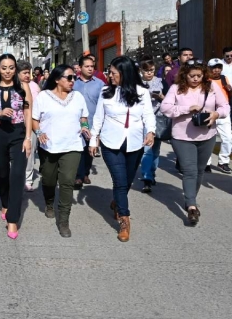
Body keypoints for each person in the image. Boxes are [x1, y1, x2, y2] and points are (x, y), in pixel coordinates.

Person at [89, 56, 155, 242]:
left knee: (126, 181)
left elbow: (148, 115)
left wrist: (151, 131)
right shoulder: (106, 92)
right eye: (110, 72)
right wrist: (93, 140)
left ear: (125, 74)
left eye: (114, 73)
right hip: (111, 143)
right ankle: (124, 220)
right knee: (119, 182)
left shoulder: (142, 92)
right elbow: (98, 118)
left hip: (135, 143)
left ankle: (118, 201)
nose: (110, 75)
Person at [161, 60, 229, 225]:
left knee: (199, 171)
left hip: (207, 135)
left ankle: (190, 197)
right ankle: (191, 206)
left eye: (199, 75)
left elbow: (225, 106)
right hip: (182, 137)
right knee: (190, 171)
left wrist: (215, 115)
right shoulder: (176, 88)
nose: (196, 79)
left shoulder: (211, 86)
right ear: (185, 74)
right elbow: (165, 108)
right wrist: (186, 109)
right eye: (192, 76)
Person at [32, 65, 89, 238]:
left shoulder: (77, 97)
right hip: (49, 146)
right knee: (49, 180)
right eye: (69, 78)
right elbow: (35, 120)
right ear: (57, 79)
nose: (73, 81)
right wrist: (40, 133)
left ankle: (64, 220)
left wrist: (85, 127)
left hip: (72, 145)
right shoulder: (43, 96)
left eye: (74, 78)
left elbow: (83, 117)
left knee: (67, 182)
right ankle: (49, 202)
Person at [0, 54, 32, 239]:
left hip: (18, 134)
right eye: (4, 68)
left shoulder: (22, 86)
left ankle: (12, 219)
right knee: (2, 173)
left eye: (11, 67)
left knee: (17, 175)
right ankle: (5, 202)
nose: (8, 71)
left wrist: (28, 138)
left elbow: (28, 112)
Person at [73, 55, 105, 189]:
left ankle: (85, 173)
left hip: (92, 123)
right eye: (87, 66)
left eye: (92, 66)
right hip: (74, 124)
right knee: (78, 150)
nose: (90, 69)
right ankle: (78, 177)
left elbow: (103, 105)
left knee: (89, 150)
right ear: (80, 68)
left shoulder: (100, 84)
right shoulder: (73, 83)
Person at [139, 58, 165, 192]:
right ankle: (147, 177)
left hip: (158, 119)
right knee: (147, 150)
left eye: (152, 70)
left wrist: (161, 97)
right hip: (143, 120)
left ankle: (152, 171)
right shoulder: (136, 83)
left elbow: (168, 100)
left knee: (155, 150)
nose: (149, 73)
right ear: (141, 70)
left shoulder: (161, 82)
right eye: (146, 70)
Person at [204, 58, 232, 173]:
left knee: (227, 138)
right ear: (209, 69)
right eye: (214, 68)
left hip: (223, 113)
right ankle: (206, 163)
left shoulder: (224, 78)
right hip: (209, 112)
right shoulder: (205, 80)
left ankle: (223, 161)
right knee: (208, 138)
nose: (217, 70)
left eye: (219, 68)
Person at [18, 61, 40, 191]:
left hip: (31, 125)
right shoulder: (12, 86)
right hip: (16, 125)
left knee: (29, 153)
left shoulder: (35, 86)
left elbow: (38, 107)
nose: (28, 75)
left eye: (29, 72)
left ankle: (28, 179)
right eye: (25, 73)